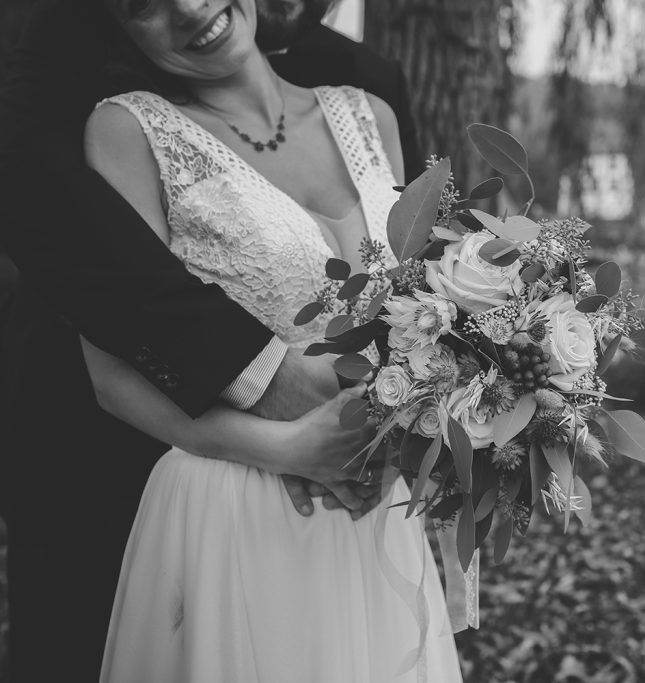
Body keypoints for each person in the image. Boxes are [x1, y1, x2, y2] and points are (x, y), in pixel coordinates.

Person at [0, 0, 426, 680]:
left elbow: (427, 301)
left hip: (375, 512)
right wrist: (286, 441)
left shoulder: (367, 100)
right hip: (224, 501)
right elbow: (107, 363)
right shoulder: (120, 125)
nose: (190, 7)